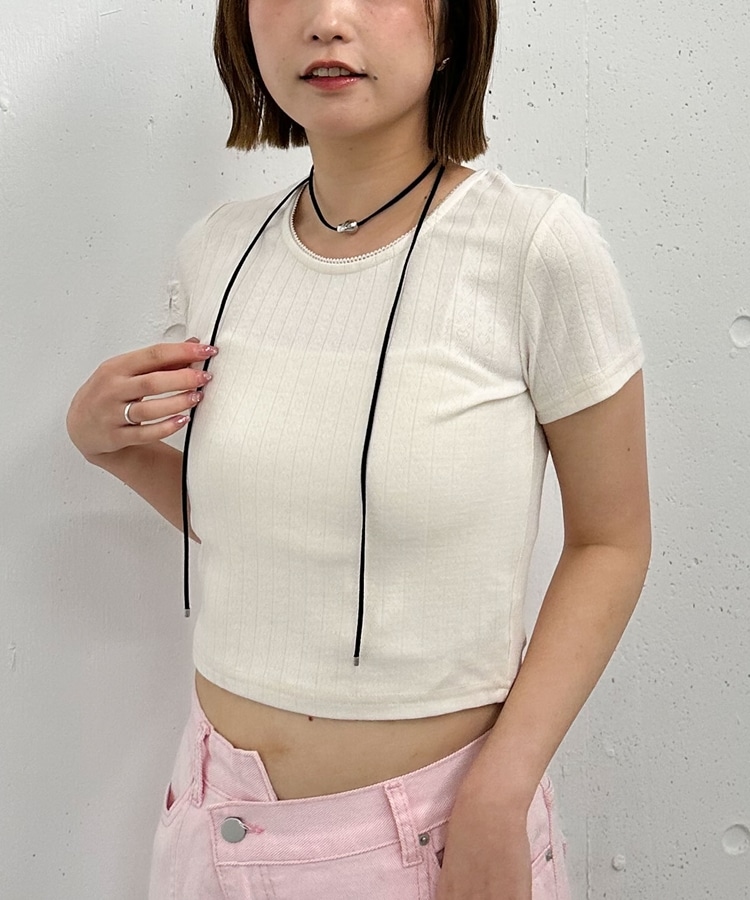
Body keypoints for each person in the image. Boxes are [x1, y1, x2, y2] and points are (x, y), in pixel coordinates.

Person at [66, 0, 651, 897]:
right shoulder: (218, 251)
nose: (328, 20)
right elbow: (273, 529)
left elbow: (611, 541)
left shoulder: (534, 248)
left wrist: (500, 793)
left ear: (453, 26)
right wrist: (111, 449)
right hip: (209, 820)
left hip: (433, 835)